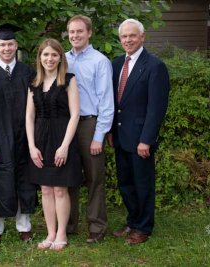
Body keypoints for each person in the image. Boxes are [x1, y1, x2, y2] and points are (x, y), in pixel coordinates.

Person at [107, 18, 170, 244]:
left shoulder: (155, 66)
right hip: (120, 137)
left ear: (142, 37)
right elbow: (113, 103)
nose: (128, 40)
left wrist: (147, 139)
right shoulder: (115, 64)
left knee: (143, 184)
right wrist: (110, 131)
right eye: (124, 36)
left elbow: (156, 108)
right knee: (125, 183)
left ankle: (143, 227)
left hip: (140, 139)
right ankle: (133, 221)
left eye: (132, 35)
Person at [0, 23, 37, 243]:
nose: (7, 48)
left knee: (25, 180)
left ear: (16, 45)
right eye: (2, 44)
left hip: (24, 136)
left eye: (10, 44)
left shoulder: (27, 72)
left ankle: (24, 226)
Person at [26, 38, 81, 250]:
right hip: (40, 140)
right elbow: (29, 117)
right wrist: (31, 146)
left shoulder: (68, 79)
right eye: (46, 54)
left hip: (62, 138)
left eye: (54, 55)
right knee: (46, 189)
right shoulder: (33, 83)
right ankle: (49, 233)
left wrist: (65, 145)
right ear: (40, 58)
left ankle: (61, 233)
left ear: (60, 58)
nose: (50, 58)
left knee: (60, 189)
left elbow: (75, 114)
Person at [65, 15, 114, 243]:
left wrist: (99, 136)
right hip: (66, 125)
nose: (75, 36)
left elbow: (106, 101)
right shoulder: (62, 59)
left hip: (89, 124)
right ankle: (69, 223)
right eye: (71, 32)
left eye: (79, 31)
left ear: (89, 33)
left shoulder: (99, 61)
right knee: (68, 175)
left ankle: (96, 225)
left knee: (94, 177)